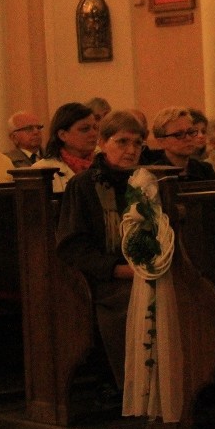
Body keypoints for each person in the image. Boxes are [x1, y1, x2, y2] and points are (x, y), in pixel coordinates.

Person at [56, 110, 147, 395]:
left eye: (137, 143)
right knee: (134, 302)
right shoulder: (83, 185)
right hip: (106, 278)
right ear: (103, 142)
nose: (131, 150)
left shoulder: (146, 182)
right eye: (122, 142)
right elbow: (72, 246)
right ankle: (136, 390)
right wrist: (118, 270)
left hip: (145, 270)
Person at [33, 102, 99, 192]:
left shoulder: (105, 165)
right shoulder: (41, 170)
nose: (93, 134)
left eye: (95, 128)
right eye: (85, 129)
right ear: (63, 135)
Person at [150, 107, 215, 181]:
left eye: (191, 132)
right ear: (162, 142)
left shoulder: (205, 170)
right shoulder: (153, 174)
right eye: (179, 134)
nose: (188, 138)